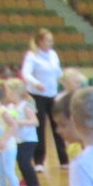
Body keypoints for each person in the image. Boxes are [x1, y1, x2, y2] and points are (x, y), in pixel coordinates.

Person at [21, 28, 66, 171]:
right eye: (48, 40)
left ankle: (64, 160)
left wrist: (65, 79)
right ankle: (39, 161)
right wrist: (36, 83)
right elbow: (26, 73)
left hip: (52, 94)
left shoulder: (53, 55)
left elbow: (58, 72)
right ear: (40, 41)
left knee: (57, 125)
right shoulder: (32, 55)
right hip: (37, 95)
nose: (51, 43)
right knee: (39, 128)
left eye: (51, 40)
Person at [6, 78, 42, 186]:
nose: (6, 93)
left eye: (8, 90)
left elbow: (35, 122)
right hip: (17, 139)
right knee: (21, 163)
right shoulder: (10, 106)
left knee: (25, 162)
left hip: (28, 139)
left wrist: (19, 122)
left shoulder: (25, 105)